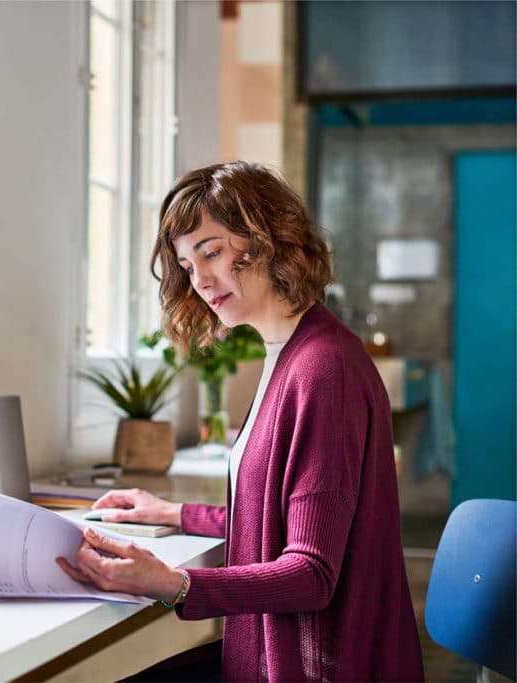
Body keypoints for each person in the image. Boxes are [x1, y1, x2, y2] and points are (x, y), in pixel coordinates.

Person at [57, 161, 423, 682]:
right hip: (280, 654)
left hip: (316, 666)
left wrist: (174, 583)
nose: (200, 280)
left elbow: (312, 574)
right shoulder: (290, 351)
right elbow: (282, 516)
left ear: (269, 237)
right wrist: (173, 512)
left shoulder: (325, 369)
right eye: (187, 265)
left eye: (212, 252)